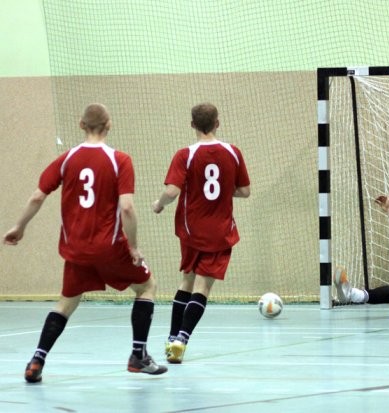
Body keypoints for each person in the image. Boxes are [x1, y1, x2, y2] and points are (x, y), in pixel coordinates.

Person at [3, 103, 167, 383]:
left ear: (81, 124)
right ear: (109, 125)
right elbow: (127, 207)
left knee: (66, 303)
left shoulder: (66, 159)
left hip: (76, 249)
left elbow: (37, 196)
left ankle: (37, 360)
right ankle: (138, 355)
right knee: (147, 286)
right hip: (109, 247)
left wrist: (20, 227)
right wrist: (133, 246)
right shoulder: (120, 160)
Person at [152, 103, 250, 364]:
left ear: (192, 125)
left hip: (191, 229)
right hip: (220, 231)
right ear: (217, 123)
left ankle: (171, 338)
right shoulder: (233, 152)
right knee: (203, 287)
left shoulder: (185, 155)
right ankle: (182, 340)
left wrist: (159, 204)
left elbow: (172, 191)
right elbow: (244, 191)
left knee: (187, 281)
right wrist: (223, 191)